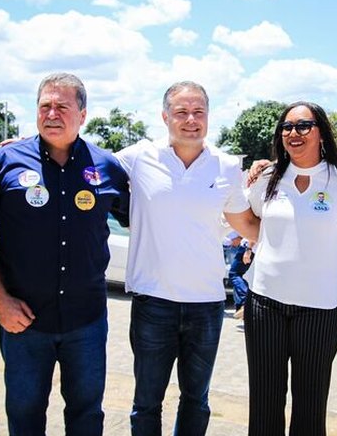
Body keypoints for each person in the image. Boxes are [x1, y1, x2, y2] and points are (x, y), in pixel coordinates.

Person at [0, 73, 129, 435]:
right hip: (23, 322)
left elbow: (144, 221)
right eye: (45, 106)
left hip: (86, 321)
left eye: (62, 106)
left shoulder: (107, 167)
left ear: (83, 114)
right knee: (24, 418)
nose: (52, 114)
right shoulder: (5, 161)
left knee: (87, 416)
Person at [115, 81, 260, 435]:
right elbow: (83, 163)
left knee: (196, 400)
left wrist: (279, 176)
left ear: (209, 117)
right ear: (165, 117)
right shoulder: (136, 157)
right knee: (146, 403)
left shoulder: (226, 166)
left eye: (199, 112)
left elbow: (248, 224)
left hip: (206, 305)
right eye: (181, 112)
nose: (191, 120)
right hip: (153, 302)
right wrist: (28, 147)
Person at [244, 102, 337, 436]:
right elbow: (250, 219)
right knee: (265, 403)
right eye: (286, 127)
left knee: (310, 408)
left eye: (303, 126)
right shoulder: (267, 177)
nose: (293, 133)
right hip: (264, 303)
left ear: (321, 132)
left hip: (319, 309)